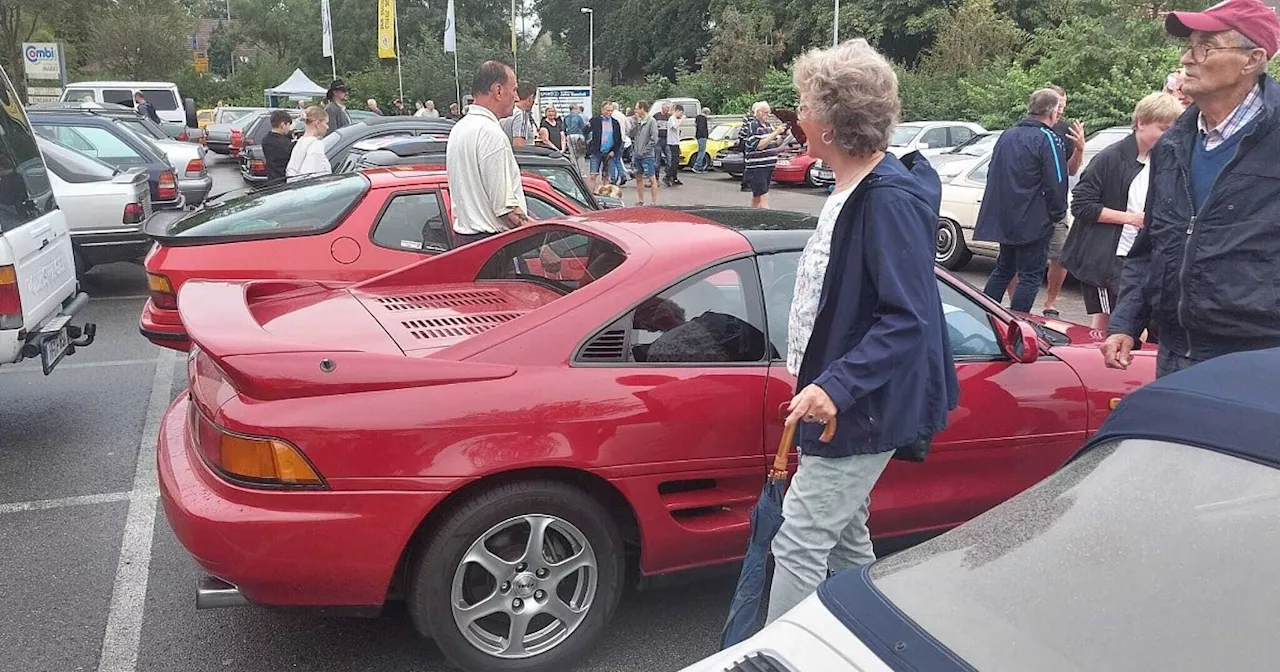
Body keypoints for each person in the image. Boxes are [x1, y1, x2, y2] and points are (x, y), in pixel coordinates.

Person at [765, 38, 958, 624]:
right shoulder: (851, 188)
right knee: (847, 539)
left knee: (797, 541)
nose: (797, 116)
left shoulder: (887, 199)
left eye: (803, 105)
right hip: (842, 400)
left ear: (829, 119)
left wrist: (836, 387)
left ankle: (770, 657)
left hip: (860, 408)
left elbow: (908, 318)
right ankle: (871, 635)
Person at [1103, 0, 1280, 378]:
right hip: (1174, 354)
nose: (1187, 57)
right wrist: (1126, 323)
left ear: (1252, 59)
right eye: (1189, 46)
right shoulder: (1172, 144)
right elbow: (1150, 245)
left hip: (1258, 363)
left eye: (1206, 46)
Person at [1061, 93, 1182, 331]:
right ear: (1140, 123)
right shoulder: (1110, 157)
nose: (1169, 135)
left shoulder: (1165, 160)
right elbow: (1081, 205)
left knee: (1137, 322)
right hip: (1106, 257)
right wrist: (1131, 219)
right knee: (1108, 323)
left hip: (1140, 256)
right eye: (1163, 128)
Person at [973, 89, 1068, 313]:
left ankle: (983, 316)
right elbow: (1057, 180)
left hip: (1005, 216)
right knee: (1030, 275)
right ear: (1053, 112)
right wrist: (1057, 214)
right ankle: (1017, 325)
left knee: (1004, 269)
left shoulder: (1007, 135)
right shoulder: (1049, 138)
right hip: (1034, 219)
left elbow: (992, 173)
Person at [446, 61, 529, 246]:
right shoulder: (490, 133)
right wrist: (542, 235)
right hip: (491, 246)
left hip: (465, 242)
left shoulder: (460, 128)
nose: (516, 98)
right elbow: (507, 210)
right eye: (514, 90)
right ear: (498, 90)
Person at [1033, 85, 1088, 318]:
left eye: (1064, 106)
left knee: (1060, 255)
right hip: (1031, 205)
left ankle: (1050, 302)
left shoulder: (1065, 131)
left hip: (1056, 206)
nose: (1061, 111)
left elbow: (1072, 171)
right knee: (1020, 258)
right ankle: (1016, 303)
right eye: (1059, 106)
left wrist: (1079, 149)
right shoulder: (1034, 128)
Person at [742, 101, 788, 208]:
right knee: (764, 195)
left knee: (757, 196)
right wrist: (776, 132)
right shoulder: (753, 125)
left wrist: (783, 135)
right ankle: (766, 218)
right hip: (757, 167)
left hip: (768, 166)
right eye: (766, 113)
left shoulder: (768, 126)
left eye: (769, 113)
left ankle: (751, 216)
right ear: (758, 113)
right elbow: (759, 145)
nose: (768, 115)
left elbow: (775, 143)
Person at [286, 106, 332, 178]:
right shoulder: (316, 145)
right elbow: (312, 174)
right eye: (326, 123)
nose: (327, 127)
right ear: (317, 123)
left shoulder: (300, 142)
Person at [586, 101, 623, 190]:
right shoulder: (595, 120)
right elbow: (586, 131)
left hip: (609, 152)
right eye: (607, 110)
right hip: (597, 152)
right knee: (593, 175)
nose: (609, 113)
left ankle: (606, 196)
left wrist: (614, 151)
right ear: (602, 110)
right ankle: (591, 195)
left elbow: (618, 139)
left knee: (606, 176)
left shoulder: (615, 123)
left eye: (611, 111)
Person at [630, 100, 660, 205]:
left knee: (652, 178)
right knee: (638, 177)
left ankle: (653, 201)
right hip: (637, 154)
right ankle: (641, 200)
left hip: (647, 156)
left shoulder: (651, 121)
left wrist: (645, 150)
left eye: (637, 108)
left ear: (642, 109)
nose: (635, 110)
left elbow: (654, 138)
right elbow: (631, 134)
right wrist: (636, 123)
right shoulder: (638, 121)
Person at [262, 109, 295, 186]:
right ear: (282, 125)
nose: (289, 128)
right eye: (288, 125)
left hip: (271, 180)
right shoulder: (285, 143)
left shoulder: (266, 139)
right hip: (283, 182)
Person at [501, 81, 538, 147]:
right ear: (531, 98)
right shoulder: (522, 114)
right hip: (521, 156)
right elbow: (519, 145)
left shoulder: (505, 112)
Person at [610, 101, 632, 185]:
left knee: (611, 159)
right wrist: (625, 133)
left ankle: (613, 178)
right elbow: (629, 127)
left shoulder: (611, 115)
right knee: (618, 158)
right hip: (622, 139)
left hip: (613, 140)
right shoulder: (622, 116)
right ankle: (622, 175)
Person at [664, 105, 686, 187]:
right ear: (676, 111)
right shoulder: (672, 118)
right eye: (680, 113)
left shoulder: (675, 119)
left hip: (676, 142)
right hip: (672, 142)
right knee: (674, 161)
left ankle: (674, 178)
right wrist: (682, 119)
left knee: (676, 161)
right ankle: (668, 176)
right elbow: (675, 126)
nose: (681, 115)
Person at [653, 103, 671, 176]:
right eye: (667, 108)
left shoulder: (670, 117)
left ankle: (668, 175)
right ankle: (656, 177)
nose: (668, 110)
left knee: (669, 158)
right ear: (662, 108)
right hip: (658, 140)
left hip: (667, 139)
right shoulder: (656, 116)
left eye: (668, 108)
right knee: (657, 160)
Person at [692, 107, 711, 172]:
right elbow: (702, 128)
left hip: (698, 136)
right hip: (702, 136)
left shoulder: (697, 118)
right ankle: (697, 166)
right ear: (707, 113)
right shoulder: (703, 119)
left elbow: (696, 126)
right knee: (702, 152)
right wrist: (705, 135)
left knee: (700, 151)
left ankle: (698, 166)